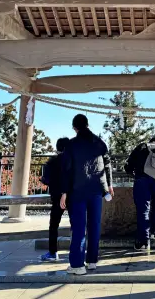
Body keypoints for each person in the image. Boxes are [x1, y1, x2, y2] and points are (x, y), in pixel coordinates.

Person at [59, 114, 113, 275]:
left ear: (75, 127)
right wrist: (109, 185)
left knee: (79, 227)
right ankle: (92, 261)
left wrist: (64, 192)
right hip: (97, 189)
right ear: (87, 125)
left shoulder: (71, 145)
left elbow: (66, 170)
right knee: (94, 226)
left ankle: (77, 265)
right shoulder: (100, 143)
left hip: (78, 190)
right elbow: (107, 165)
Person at [125, 136, 155, 251]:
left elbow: (128, 166)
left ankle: (144, 241)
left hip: (143, 180)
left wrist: (133, 173)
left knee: (143, 209)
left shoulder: (143, 146)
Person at [40, 137, 70, 262]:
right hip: (73, 196)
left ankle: (53, 252)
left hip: (57, 196)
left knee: (54, 225)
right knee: (77, 225)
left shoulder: (52, 162)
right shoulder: (73, 160)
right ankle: (77, 252)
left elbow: (46, 179)